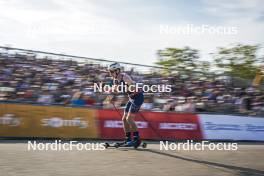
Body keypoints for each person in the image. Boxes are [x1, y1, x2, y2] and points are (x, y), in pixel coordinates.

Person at [108, 62, 144, 147]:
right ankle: (128, 139)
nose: (110, 73)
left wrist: (123, 89)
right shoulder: (115, 80)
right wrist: (111, 96)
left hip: (138, 97)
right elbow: (115, 91)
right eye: (110, 71)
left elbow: (132, 88)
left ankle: (136, 139)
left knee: (129, 119)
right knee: (124, 119)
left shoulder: (125, 77)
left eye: (111, 71)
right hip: (131, 98)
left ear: (117, 71)